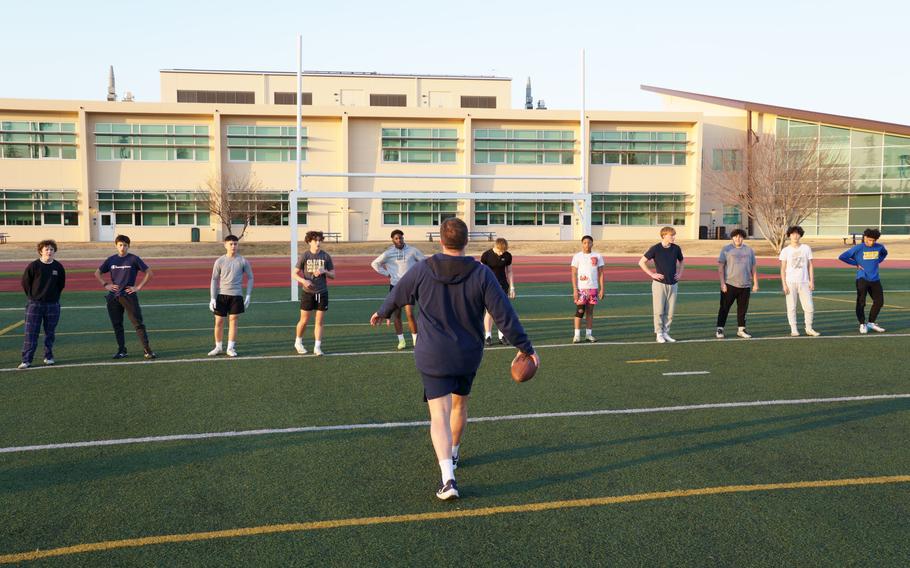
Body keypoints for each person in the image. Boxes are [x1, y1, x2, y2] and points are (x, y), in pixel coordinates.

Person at [370, 218, 538, 501]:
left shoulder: (424, 268)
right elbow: (504, 315)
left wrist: (384, 310)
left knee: (439, 415)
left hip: (433, 353)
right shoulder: (482, 273)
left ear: (440, 240)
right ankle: (455, 453)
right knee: (459, 404)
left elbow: (400, 292)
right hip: (466, 354)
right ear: (466, 241)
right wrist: (526, 348)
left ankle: (448, 477)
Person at [94, 234, 157, 359]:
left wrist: (138, 287)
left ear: (129, 246)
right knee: (117, 325)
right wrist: (105, 284)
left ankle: (147, 350)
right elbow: (97, 273)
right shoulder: (111, 259)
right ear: (116, 246)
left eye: (125, 245)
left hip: (128, 296)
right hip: (113, 297)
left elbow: (149, 273)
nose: (122, 248)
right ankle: (122, 350)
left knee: (138, 323)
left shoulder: (134, 259)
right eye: (120, 245)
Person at [370, 229, 425, 349]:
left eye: (401, 238)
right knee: (397, 315)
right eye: (396, 238)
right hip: (395, 287)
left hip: (409, 287)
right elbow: (374, 263)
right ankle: (401, 341)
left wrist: (417, 275)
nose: (399, 240)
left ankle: (416, 340)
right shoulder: (388, 253)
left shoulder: (412, 250)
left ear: (403, 238)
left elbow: (424, 262)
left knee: (410, 313)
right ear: (392, 240)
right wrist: (387, 273)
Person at [18, 239, 66, 369]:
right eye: (46, 249)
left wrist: (54, 297)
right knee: (30, 333)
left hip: (52, 305)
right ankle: (27, 360)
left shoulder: (58, 267)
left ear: (54, 251)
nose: (49, 251)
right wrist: (33, 297)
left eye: (51, 249)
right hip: (35, 305)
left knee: (50, 333)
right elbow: (25, 283)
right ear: (41, 251)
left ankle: (48, 356)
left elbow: (61, 284)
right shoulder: (33, 266)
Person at [207, 235, 254, 357]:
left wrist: (248, 295)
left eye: (235, 244)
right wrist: (212, 297)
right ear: (225, 245)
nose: (233, 246)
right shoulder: (219, 261)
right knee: (219, 322)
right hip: (222, 295)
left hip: (236, 296)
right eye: (231, 244)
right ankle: (218, 347)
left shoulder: (243, 260)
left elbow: (250, 277)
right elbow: (214, 279)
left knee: (233, 321)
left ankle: (230, 348)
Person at [639, 227, 685, 343]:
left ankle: (666, 332)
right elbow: (641, 262)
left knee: (670, 312)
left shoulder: (676, 248)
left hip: (673, 284)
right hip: (659, 284)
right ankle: (659, 333)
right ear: (664, 236)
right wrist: (652, 274)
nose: (673, 237)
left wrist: (679, 274)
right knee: (659, 311)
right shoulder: (656, 248)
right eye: (671, 235)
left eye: (674, 235)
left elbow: (682, 262)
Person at [838, 227, 888, 334]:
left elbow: (884, 253)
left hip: (875, 279)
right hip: (862, 278)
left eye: (874, 240)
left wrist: (879, 260)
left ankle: (871, 322)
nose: (871, 242)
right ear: (865, 238)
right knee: (861, 302)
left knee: (879, 302)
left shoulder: (879, 247)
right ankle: (862, 324)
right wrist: (855, 264)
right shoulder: (858, 248)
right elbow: (842, 256)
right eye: (870, 240)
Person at [293, 231, 335, 356]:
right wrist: (303, 281)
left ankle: (317, 347)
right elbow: (293, 274)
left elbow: (333, 275)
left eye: (319, 240)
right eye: (315, 240)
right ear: (309, 242)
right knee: (304, 320)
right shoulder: (305, 256)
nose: (318, 243)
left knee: (319, 321)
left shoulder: (326, 256)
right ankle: (298, 342)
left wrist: (324, 271)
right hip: (308, 293)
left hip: (322, 293)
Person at [715, 229, 760, 339]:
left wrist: (755, 283)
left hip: (745, 285)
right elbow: (720, 267)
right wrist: (722, 283)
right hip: (729, 284)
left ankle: (741, 329)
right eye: (735, 236)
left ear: (743, 237)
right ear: (732, 237)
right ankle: (720, 329)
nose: (737, 239)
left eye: (740, 236)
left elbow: (753, 267)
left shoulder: (749, 250)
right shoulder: (726, 249)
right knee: (724, 308)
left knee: (742, 309)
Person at [778, 226, 820, 337]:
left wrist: (812, 281)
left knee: (809, 307)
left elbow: (810, 265)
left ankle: (809, 328)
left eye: (797, 234)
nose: (795, 236)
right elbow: (782, 268)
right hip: (790, 282)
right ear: (789, 235)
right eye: (792, 234)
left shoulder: (806, 248)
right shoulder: (785, 250)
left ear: (800, 235)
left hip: (804, 282)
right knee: (791, 307)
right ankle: (794, 329)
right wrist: (784, 285)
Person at [480, 237, 516, 346]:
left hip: (502, 286)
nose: (501, 253)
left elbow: (509, 271)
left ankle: (502, 336)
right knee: (490, 312)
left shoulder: (507, 256)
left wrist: (512, 287)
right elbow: (482, 272)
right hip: (488, 286)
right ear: (495, 247)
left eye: (503, 251)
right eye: (500, 251)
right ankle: (488, 336)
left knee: (502, 311)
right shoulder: (486, 255)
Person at [570, 235, 604, 343]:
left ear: (592, 244)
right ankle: (577, 335)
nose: (587, 245)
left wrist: (602, 288)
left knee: (590, 312)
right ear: (582, 244)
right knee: (580, 311)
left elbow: (601, 274)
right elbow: (573, 274)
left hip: (593, 288)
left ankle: (588, 334)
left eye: (589, 242)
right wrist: (575, 289)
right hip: (581, 289)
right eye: (584, 242)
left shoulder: (597, 256)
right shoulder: (577, 256)